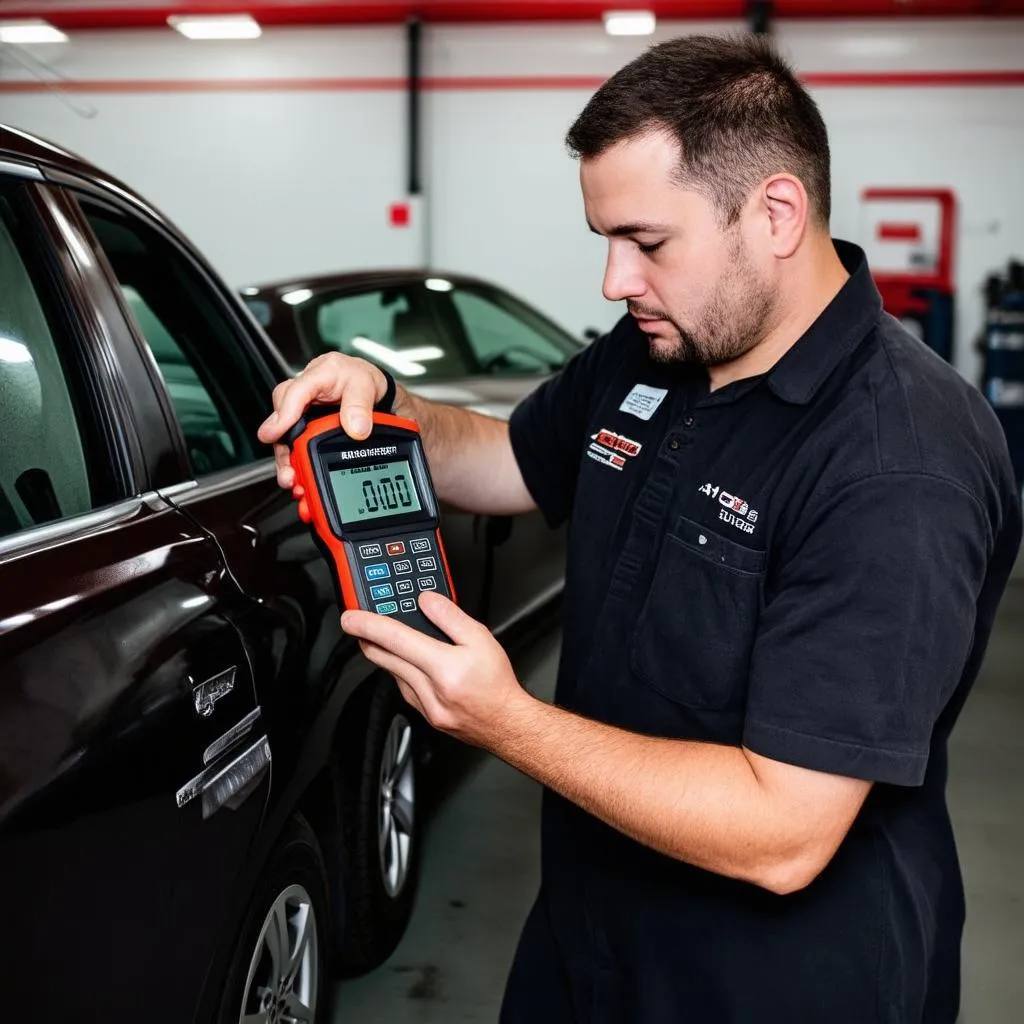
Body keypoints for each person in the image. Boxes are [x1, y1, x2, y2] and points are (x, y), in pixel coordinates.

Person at [259, 33, 1022, 1024]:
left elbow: (783, 831)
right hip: (592, 927)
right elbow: (506, 459)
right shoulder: (657, 347)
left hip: (777, 979)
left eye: (647, 242)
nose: (616, 281)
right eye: (605, 241)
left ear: (777, 213)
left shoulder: (896, 460)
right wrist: (386, 403)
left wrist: (506, 719)